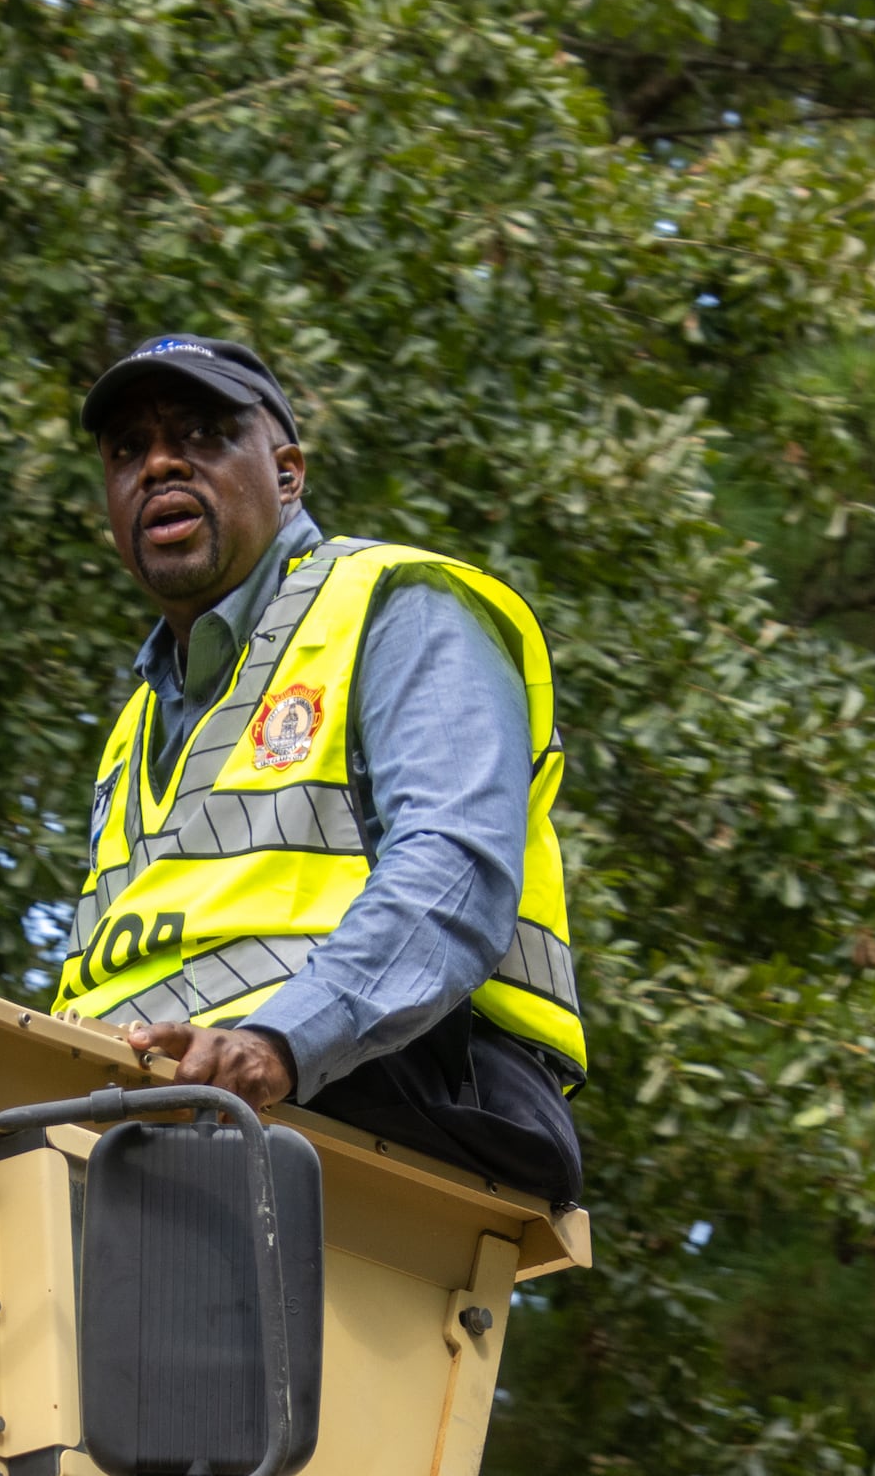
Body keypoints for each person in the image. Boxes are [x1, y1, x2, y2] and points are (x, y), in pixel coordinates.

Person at [51, 335, 586, 1203]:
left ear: (288, 473)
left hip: (396, 1101)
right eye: (125, 452)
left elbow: (455, 869)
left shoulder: (394, 607)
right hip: (158, 1133)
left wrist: (279, 1044)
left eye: (201, 433)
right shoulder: (135, 730)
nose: (156, 466)